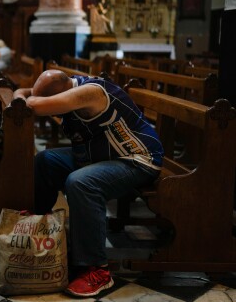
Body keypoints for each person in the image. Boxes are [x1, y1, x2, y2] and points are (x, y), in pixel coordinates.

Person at [13, 70, 163, 297]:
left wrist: (24, 97)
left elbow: (34, 105)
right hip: (102, 155)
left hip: (136, 159)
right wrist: (25, 93)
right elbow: (29, 96)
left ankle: (98, 270)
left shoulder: (89, 92)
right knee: (45, 160)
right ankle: (39, 231)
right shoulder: (68, 86)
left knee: (81, 182)